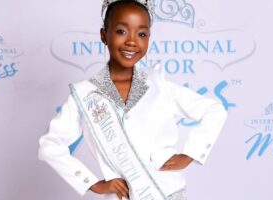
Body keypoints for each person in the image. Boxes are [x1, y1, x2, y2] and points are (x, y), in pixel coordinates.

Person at [38, 0, 228, 199]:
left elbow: (214, 110)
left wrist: (191, 153)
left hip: (168, 192)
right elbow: (49, 145)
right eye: (121, 31)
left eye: (142, 34)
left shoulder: (157, 83)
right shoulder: (84, 94)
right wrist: (92, 183)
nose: (132, 41)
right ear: (104, 35)